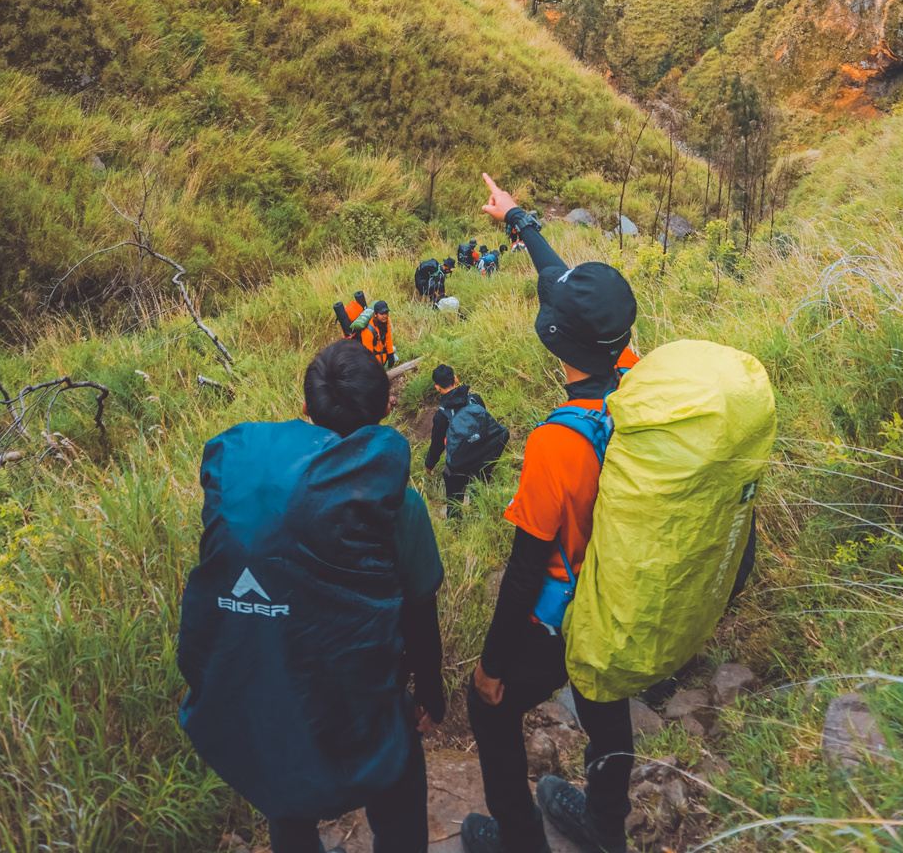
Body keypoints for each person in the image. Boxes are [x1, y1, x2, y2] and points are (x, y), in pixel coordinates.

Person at [177, 338, 445, 853]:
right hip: (363, 695)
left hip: (274, 684)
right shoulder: (398, 504)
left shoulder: (252, 490)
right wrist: (430, 694)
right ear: (385, 413)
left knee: (287, 801)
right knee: (399, 791)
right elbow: (419, 613)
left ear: (304, 409)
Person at [461, 175, 639, 853]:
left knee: (490, 711)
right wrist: (519, 220)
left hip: (558, 616)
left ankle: (519, 841)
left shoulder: (556, 445)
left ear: (556, 342)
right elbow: (563, 283)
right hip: (613, 598)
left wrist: (492, 667)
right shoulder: (634, 373)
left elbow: (524, 569)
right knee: (604, 698)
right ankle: (604, 825)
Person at [425, 364, 510, 512]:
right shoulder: (475, 400)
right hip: (483, 454)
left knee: (453, 495)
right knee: (479, 485)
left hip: (459, 462)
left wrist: (429, 464)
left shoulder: (441, 415)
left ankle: (455, 524)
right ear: (456, 380)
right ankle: (477, 512)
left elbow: (437, 445)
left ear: (437, 387)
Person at [361, 299, 396, 368]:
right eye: (382, 314)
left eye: (386, 313)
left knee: (394, 355)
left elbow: (388, 336)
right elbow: (369, 356)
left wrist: (390, 354)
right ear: (375, 314)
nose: (385, 316)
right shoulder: (368, 332)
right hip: (375, 360)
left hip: (383, 354)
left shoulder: (385, 321)